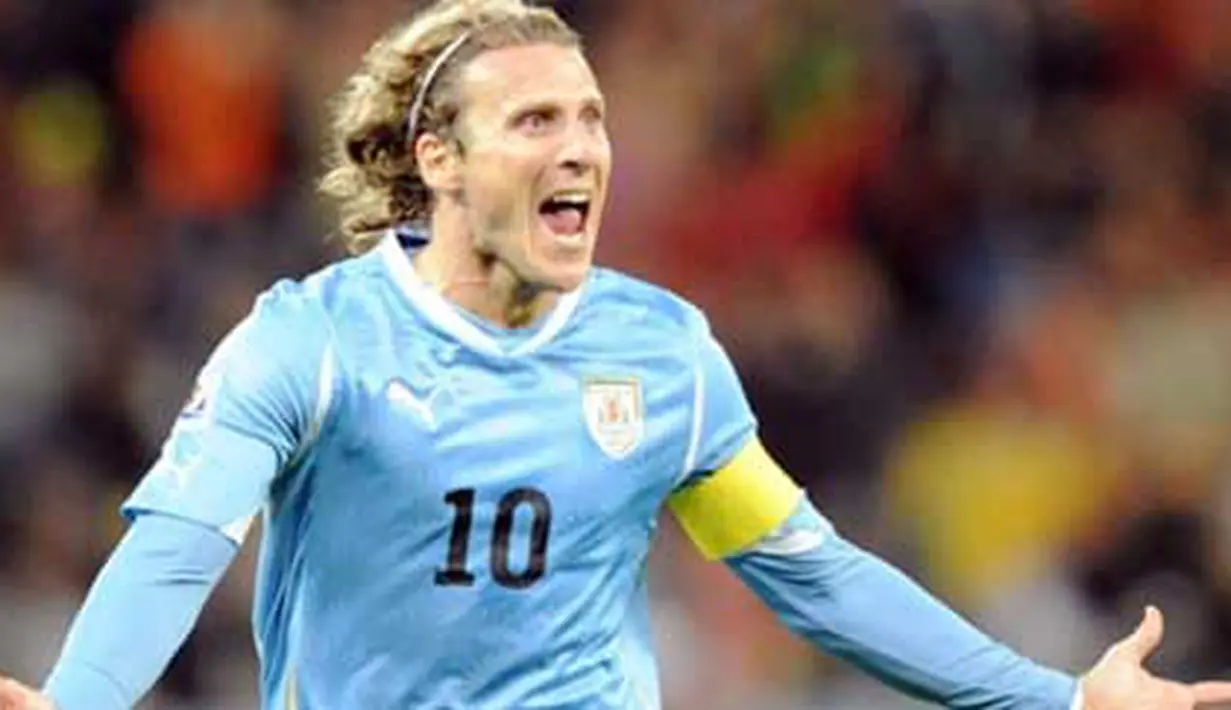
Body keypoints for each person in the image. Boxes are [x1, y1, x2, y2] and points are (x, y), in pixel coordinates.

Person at [2, 1, 1230, 708]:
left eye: (592, 116)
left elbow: (813, 572)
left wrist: (1057, 695)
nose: (584, 147)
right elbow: (178, 546)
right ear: (438, 157)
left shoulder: (661, 353)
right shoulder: (311, 343)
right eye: (537, 119)